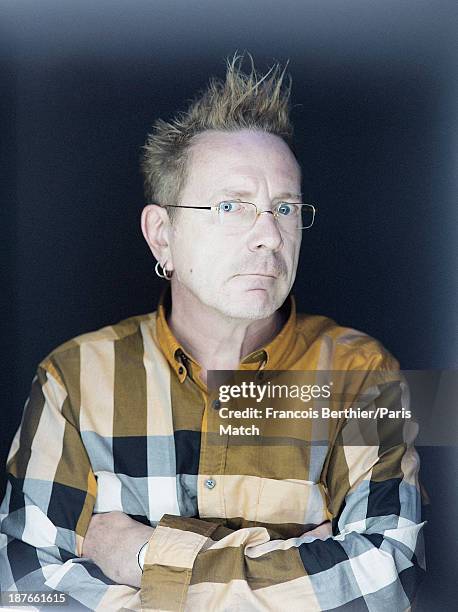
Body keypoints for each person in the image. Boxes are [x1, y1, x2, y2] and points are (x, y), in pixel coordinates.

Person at [0, 54, 425, 611]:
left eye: (285, 208)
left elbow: (388, 579)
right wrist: (295, 563)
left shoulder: (364, 374)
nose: (269, 236)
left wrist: (143, 554)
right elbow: (24, 590)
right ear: (162, 236)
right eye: (231, 206)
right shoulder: (73, 379)